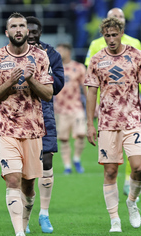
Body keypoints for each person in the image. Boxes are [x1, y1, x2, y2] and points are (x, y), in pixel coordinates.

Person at [0, 12, 54, 236]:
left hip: (33, 130)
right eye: (14, 26)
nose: (19, 29)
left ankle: (25, 220)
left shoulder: (41, 56)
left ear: (26, 30)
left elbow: (48, 94)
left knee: (29, 186)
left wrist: (31, 80)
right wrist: (9, 83)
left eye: (22, 25)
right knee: (12, 180)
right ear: (7, 32)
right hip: (6, 129)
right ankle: (19, 235)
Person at [85, 17, 141, 232]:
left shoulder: (136, 55)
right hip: (107, 123)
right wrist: (90, 123)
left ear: (122, 33)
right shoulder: (97, 60)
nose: (111, 39)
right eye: (107, 35)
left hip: (133, 120)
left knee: (139, 167)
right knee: (110, 172)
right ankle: (114, 219)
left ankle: (132, 202)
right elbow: (91, 92)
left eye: (114, 34)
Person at [85, 7, 141, 197]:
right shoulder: (96, 45)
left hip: (132, 106)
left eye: (120, 17)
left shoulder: (135, 44)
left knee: (134, 152)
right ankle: (115, 212)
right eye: (114, 17)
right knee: (110, 163)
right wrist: (92, 107)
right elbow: (90, 79)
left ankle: (129, 180)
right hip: (108, 110)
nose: (118, 18)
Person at [25, 16, 64, 234]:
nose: (30, 33)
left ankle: (44, 214)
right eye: (26, 29)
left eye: (34, 30)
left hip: (44, 112)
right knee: (24, 169)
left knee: (47, 160)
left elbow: (57, 85)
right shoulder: (10, 54)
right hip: (19, 116)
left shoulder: (52, 54)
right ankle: (25, 215)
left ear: (40, 32)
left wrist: (41, 70)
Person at [55, 43, 87, 174]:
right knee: (63, 139)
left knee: (81, 134)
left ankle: (77, 159)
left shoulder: (78, 67)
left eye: (60, 51)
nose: (58, 53)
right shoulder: (54, 68)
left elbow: (85, 87)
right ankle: (67, 166)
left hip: (76, 107)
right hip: (60, 109)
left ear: (68, 51)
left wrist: (93, 104)